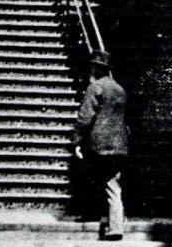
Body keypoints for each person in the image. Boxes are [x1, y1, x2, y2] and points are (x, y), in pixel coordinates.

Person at [73, 50, 128, 240]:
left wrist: (77, 140)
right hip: (120, 145)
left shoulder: (95, 88)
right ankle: (111, 222)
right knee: (112, 184)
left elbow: (85, 117)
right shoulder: (120, 89)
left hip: (99, 144)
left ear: (95, 68)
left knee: (104, 183)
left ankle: (113, 226)